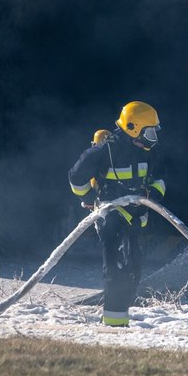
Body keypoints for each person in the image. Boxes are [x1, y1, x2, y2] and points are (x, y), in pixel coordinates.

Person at [68, 102, 166, 327]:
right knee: (115, 267)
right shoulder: (105, 151)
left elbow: (160, 180)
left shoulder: (150, 152)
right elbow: (76, 177)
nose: (153, 138)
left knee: (134, 270)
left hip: (136, 217)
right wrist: (89, 198)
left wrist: (150, 194)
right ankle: (114, 324)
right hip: (111, 216)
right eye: (149, 132)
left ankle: (118, 316)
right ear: (133, 128)